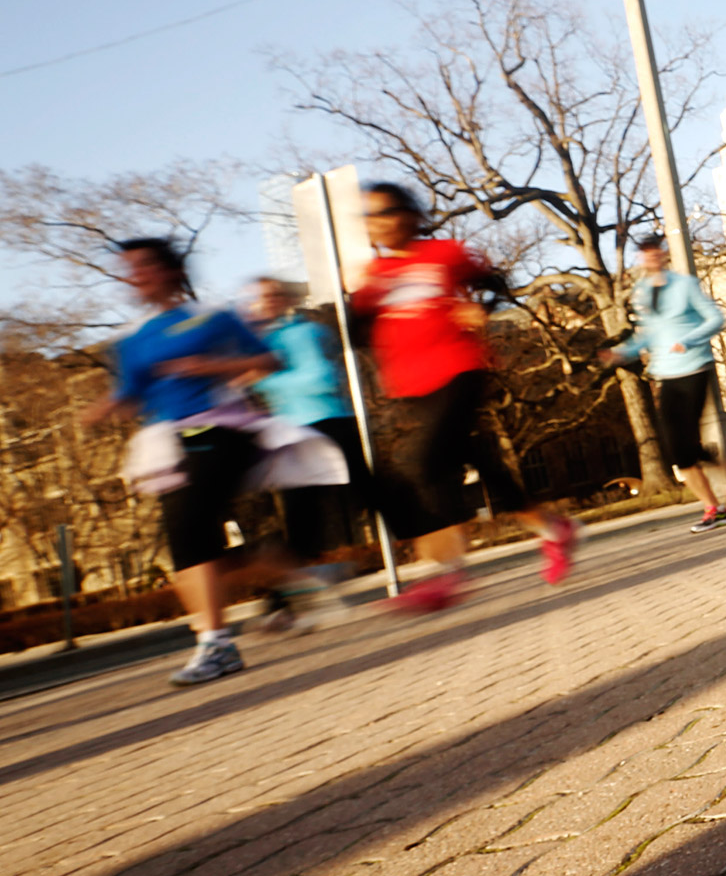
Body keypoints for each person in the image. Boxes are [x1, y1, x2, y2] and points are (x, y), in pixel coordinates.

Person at [87, 239, 347, 685]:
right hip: (167, 443)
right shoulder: (131, 340)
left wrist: (209, 367)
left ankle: (217, 644)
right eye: (129, 269)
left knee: (191, 533)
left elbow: (268, 359)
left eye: (145, 265)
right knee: (187, 547)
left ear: (170, 270)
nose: (137, 275)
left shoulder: (211, 317)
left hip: (222, 431)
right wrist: (104, 409)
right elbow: (131, 392)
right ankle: (287, 573)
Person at [350, 183, 579, 611]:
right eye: (369, 216)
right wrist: (359, 304)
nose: (376, 222)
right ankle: (553, 528)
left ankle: (444, 573)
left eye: (384, 212)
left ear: (409, 215)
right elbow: (358, 334)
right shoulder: (373, 276)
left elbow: (498, 284)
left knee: (424, 464)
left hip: (459, 367)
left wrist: (480, 310)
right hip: (410, 385)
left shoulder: (444, 254)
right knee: (485, 465)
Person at [245, 277, 368, 629]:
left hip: (327, 423)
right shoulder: (263, 341)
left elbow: (320, 378)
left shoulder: (305, 333)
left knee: (370, 497)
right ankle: (284, 603)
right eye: (258, 298)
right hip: (294, 433)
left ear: (286, 300)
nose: (263, 303)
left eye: (271, 296)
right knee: (302, 519)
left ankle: (284, 602)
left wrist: (259, 380)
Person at [602, 237, 726, 533]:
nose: (651, 260)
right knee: (678, 449)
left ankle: (717, 504)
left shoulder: (684, 285)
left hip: (693, 367)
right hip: (664, 374)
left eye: (655, 255)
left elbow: (715, 318)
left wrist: (687, 341)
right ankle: (717, 503)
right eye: (645, 256)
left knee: (685, 445)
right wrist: (623, 352)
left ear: (663, 256)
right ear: (642, 260)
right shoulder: (642, 292)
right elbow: (647, 335)